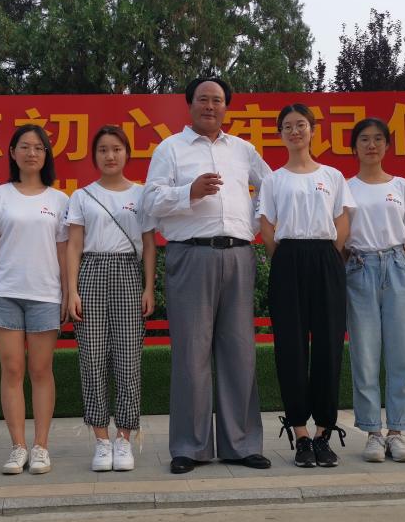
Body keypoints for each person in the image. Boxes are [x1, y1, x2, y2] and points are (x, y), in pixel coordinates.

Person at [143, 76, 272, 474]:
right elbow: (150, 201)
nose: (210, 106)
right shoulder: (171, 148)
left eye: (217, 100)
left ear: (226, 107)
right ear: (190, 104)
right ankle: (189, 446)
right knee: (191, 353)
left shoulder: (243, 150)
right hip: (191, 254)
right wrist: (189, 192)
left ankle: (241, 444)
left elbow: (271, 188)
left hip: (238, 255)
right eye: (203, 99)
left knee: (239, 352)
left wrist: (251, 224)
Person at [259, 103, 355, 468]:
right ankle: (300, 433)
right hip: (288, 259)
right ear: (280, 134)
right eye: (287, 126)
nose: (295, 131)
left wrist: (328, 255)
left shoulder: (332, 176)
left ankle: (323, 434)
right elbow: (267, 225)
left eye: (301, 125)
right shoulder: (274, 180)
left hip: (326, 257)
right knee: (291, 347)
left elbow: (341, 220)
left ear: (313, 130)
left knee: (329, 345)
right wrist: (285, 258)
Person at [0, 124, 69, 476]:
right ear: (13, 153)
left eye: (39, 148)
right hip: (4, 293)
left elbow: (64, 251)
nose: (32, 153)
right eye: (25, 147)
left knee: (41, 370)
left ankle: (41, 446)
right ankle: (18, 447)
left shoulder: (59, 200)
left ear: (46, 155)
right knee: (12, 370)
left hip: (45, 294)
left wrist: (67, 292)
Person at [66, 125, 156, 471]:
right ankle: (102, 440)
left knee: (128, 359)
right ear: (94, 156)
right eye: (103, 149)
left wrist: (148, 287)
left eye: (116, 149)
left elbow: (149, 245)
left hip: (128, 272)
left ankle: (125, 438)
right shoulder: (82, 195)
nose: (110, 155)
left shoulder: (141, 194)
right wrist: (72, 290)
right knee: (92, 358)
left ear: (127, 153)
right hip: (91, 271)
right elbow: (74, 245)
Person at [345, 117, 405, 464]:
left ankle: (397, 432)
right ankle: (373, 433)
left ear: (387, 145)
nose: (371, 145)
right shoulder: (345, 187)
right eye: (364, 139)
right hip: (359, 268)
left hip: (396, 267)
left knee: (402, 353)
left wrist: (391, 258)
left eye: (378, 139)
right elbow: (340, 234)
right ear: (354, 147)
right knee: (365, 354)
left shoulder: (402, 186)